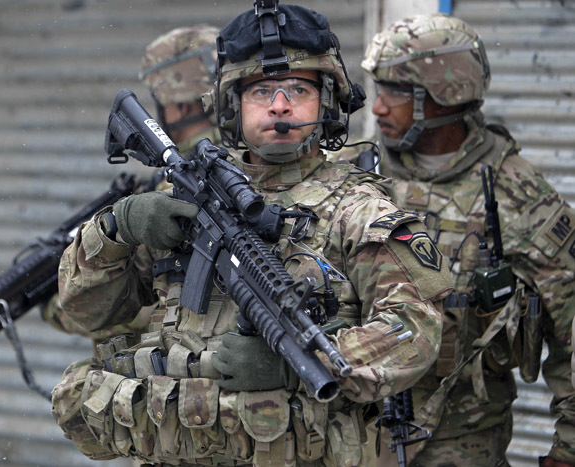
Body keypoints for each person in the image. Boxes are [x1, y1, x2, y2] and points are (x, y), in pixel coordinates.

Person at [51, 3, 450, 466]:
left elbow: (414, 333)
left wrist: (299, 363)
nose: (280, 105)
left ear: (325, 104)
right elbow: (86, 312)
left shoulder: (361, 212)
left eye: (298, 89)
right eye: (261, 91)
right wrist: (117, 227)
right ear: (232, 105)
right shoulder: (183, 198)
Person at [354, 13, 575, 467]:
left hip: (460, 445)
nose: (377, 108)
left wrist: (569, 445)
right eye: (380, 90)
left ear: (444, 94)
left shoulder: (518, 195)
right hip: (353, 437)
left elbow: (571, 328)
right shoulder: (360, 174)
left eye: (396, 92)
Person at [40, 25, 221, 346]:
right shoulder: (247, 163)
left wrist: (54, 308)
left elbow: (119, 311)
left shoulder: (182, 189)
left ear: (178, 106)